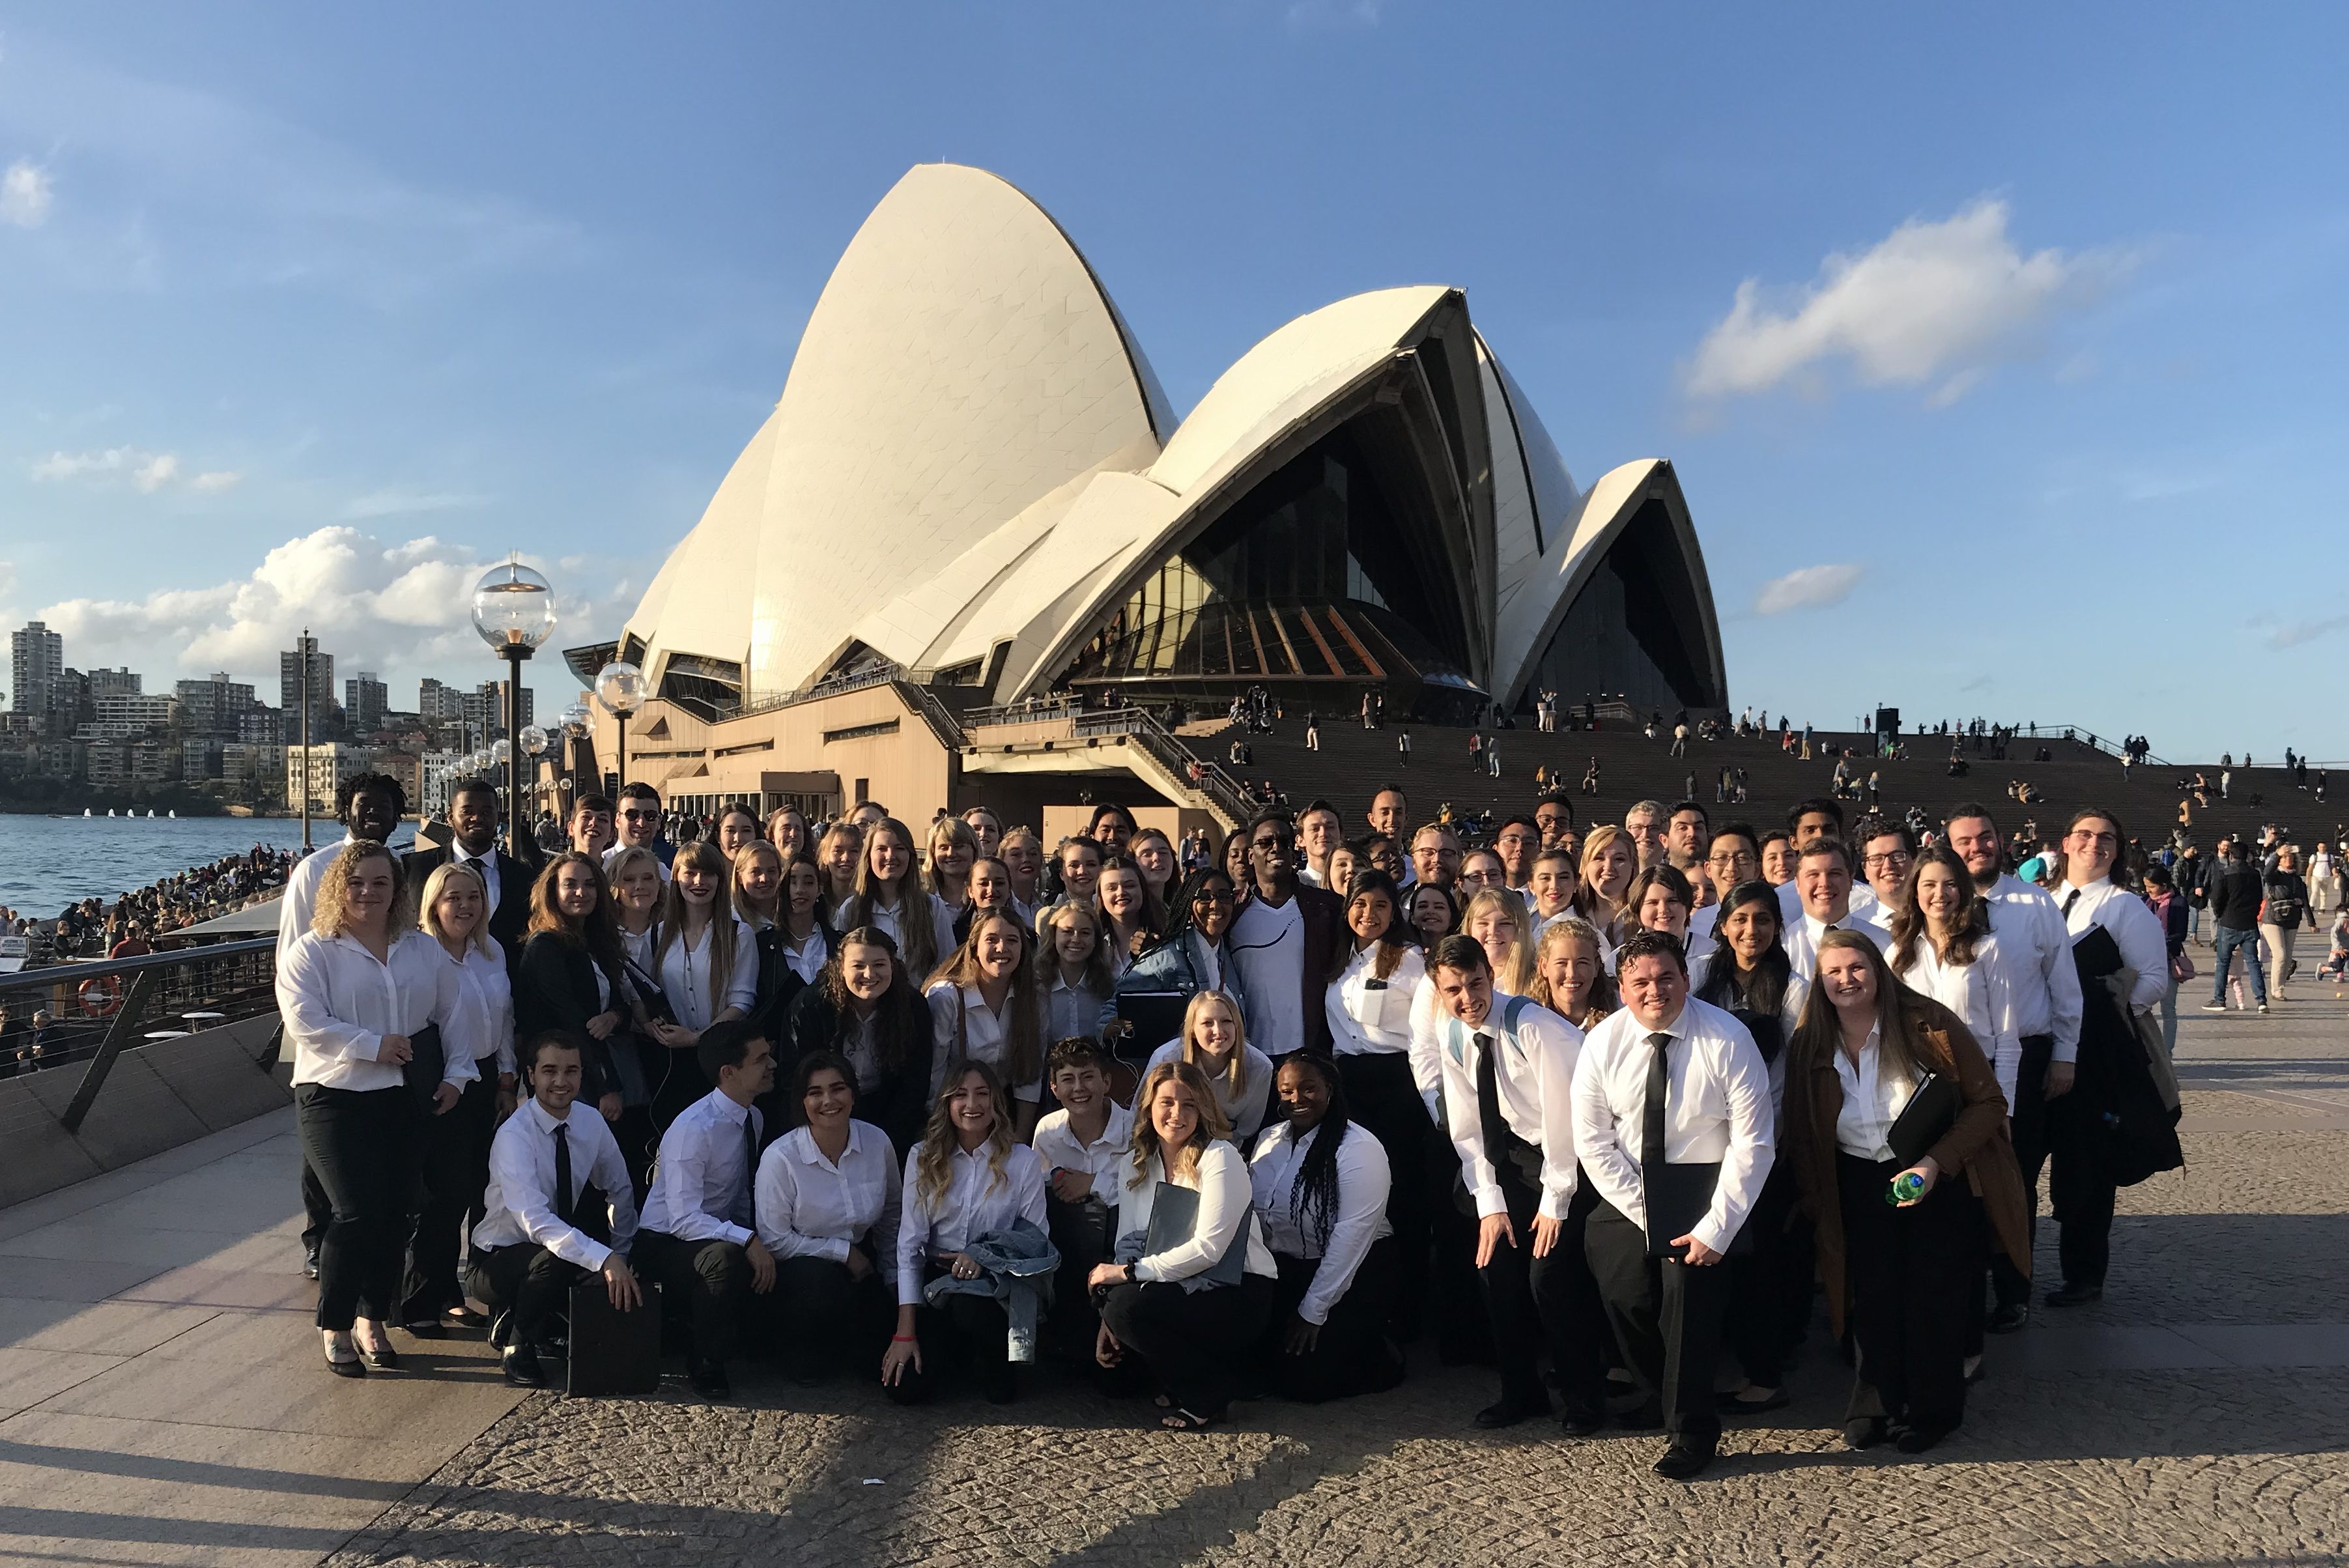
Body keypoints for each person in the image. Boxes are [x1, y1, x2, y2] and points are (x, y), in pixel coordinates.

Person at [1782, 931, 2030, 1452]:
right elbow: (1803, 1128)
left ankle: (1933, 1409)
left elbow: (1988, 1103)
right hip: (1857, 1177)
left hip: (1931, 1176)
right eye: (1835, 971)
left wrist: (1935, 1164)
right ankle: (1876, 1403)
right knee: (1871, 1297)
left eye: (1857, 967)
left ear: (1878, 969)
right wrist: (1812, 1196)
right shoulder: (1810, 1043)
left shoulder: (1929, 1023)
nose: (1847, 979)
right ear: (1820, 981)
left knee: (1933, 1295)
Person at [1571, 930, 1774, 1480]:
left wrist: (1716, 1227)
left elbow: (1753, 1143)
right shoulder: (1603, 1043)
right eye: (1640, 982)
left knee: (1687, 1295)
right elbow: (1592, 1140)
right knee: (1621, 1286)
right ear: (1621, 987)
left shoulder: (1729, 1038)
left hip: (1705, 1188)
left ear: (1686, 977)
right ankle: (1657, 1390)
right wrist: (1645, 1213)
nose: (1654, 990)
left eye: (1666, 977)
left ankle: (1692, 1426)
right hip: (1631, 1189)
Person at [277, 840, 468, 1377]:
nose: (368, 892)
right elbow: (304, 1021)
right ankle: (334, 1324)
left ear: (396, 890)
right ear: (338, 887)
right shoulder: (313, 951)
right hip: (331, 1095)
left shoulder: (420, 949)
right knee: (355, 1210)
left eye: (380, 882)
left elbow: (453, 1013)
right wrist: (371, 1043)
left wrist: (457, 1076)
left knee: (397, 1211)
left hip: (400, 1095)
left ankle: (372, 1317)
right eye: (356, 882)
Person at [1427, 934, 1607, 1436]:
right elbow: (1467, 1129)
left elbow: (1565, 1122)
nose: (1468, 998)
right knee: (1496, 1268)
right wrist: (1490, 1202)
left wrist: (1555, 1203)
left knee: (1550, 1277)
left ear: (1491, 973)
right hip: (1508, 1159)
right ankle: (1521, 1392)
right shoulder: (1455, 1033)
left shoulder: (1532, 1026)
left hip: (1569, 1159)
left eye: (1476, 983)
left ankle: (1584, 1397)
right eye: (1453, 990)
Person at [1943, 805, 2084, 1334]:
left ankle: (2012, 1288)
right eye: (1964, 841)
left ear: (2001, 842)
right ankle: (1962, 1281)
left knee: (2014, 1179)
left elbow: (2063, 982)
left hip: (2023, 1056)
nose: (1975, 848)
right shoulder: (1937, 901)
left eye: (1984, 838)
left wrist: (2065, 1053)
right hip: (1950, 1065)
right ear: (1948, 845)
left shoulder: (2035, 903)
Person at [1091, 1059, 1278, 1430]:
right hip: (1170, 1284)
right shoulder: (1134, 1163)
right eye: (1167, 1103)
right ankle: (1194, 1373)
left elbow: (1210, 1249)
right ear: (1149, 1107)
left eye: (1189, 1104)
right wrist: (1105, 1315)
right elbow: (1127, 1242)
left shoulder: (1220, 1157)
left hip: (1237, 1288)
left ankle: (1208, 1394)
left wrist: (1128, 1276)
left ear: (1203, 1109)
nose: (1177, 1114)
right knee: (1112, 1377)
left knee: (1128, 1308)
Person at [2045, 808, 2178, 1308]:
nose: (2094, 843)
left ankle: (2083, 1273)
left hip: (2092, 1057)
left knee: (2086, 1167)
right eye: (2084, 834)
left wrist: (2104, 1018)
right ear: (2065, 842)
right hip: (2037, 1048)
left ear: (2118, 850)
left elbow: (2153, 980)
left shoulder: (2126, 908)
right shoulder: (2040, 900)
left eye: (2106, 838)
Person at [279, 772, 408, 1283]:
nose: (374, 814)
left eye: (385, 806)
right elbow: (291, 952)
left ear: (399, 815)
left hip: (386, 1030)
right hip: (327, 1036)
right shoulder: (314, 870)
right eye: (364, 806)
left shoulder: (402, 869)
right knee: (321, 1155)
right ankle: (319, 1241)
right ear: (344, 813)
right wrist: (300, 1031)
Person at [1687, 880, 1808, 1412]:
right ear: (1722, 926)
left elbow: (1795, 1068)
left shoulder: (1794, 988)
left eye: (1762, 920)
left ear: (1778, 927)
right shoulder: (1700, 980)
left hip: (1765, 1136)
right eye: (1740, 920)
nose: (1750, 930)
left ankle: (1766, 1373)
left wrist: (1776, 1131)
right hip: (1710, 1135)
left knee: (1762, 1257)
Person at [467, 1028, 643, 1388]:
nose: (561, 1082)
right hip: (497, 1259)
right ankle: (518, 1345)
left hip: (554, 1248)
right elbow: (535, 1223)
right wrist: (602, 1258)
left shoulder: (590, 1121)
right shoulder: (514, 1135)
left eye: (571, 1071)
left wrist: (620, 1255)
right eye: (549, 1071)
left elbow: (621, 1190)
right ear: (530, 1076)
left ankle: (537, 1317)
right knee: (554, 1258)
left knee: (578, 1254)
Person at [885, 1061, 1049, 1406]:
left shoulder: (1023, 1160)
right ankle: (954, 1353)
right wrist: (905, 1332)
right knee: (904, 1391)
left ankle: (994, 1359)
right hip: (937, 1280)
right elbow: (909, 1246)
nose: (972, 1105)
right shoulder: (923, 1156)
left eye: (982, 1094)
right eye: (960, 1095)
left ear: (996, 1102)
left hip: (996, 1281)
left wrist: (983, 1255)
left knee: (998, 1385)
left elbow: (1036, 1239)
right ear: (946, 1103)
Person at [399, 861, 517, 1335]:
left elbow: (504, 1019)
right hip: (442, 1080)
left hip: (487, 1076)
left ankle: (468, 1287)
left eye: (473, 896)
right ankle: (423, 1296)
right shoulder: (419, 956)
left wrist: (508, 1079)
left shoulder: (491, 952)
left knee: (482, 1189)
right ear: (432, 904)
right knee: (444, 1193)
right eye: (453, 897)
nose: (464, 906)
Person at [634, 1019, 778, 1399]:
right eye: (761, 1059)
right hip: (663, 1243)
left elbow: (741, 1194)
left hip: (713, 1233)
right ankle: (705, 1362)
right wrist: (747, 1239)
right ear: (729, 1073)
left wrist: (759, 1237)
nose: (773, 1064)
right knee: (725, 1258)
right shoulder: (694, 1128)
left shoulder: (754, 1116)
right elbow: (683, 1219)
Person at [1248, 1053, 1404, 1401]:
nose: (1296, 1099)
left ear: (1330, 1090)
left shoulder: (1358, 1148)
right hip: (1288, 1268)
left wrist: (1312, 1311)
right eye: (1287, 1091)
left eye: (1308, 1089)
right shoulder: (1269, 1140)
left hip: (1357, 1273)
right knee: (1256, 1369)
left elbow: (1351, 1238)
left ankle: (1381, 1350)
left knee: (1306, 1385)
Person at [1322, 870, 1432, 1335]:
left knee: (1399, 1195)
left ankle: (1407, 1307)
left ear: (1395, 912)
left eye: (1381, 905)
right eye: (1360, 904)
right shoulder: (1338, 960)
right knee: (1355, 1192)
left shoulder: (1409, 960)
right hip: (1348, 1083)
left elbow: (1425, 1031)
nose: (1369, 914)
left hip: (1395, 1085)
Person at [752, 1049, 902, 1386]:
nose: (828, 1100)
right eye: (815, 1092)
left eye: (838, 1089)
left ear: (853, 1094)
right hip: (802, 1270)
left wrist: (894, 1280)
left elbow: (893, 1217)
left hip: (866, 1262)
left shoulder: (878, 1142)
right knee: (813, 1366)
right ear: (801, 1102)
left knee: (883, 1371)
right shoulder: (781, 1157)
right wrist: (843, 1253)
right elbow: (775, 1240)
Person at [782, 926, 936, 1161]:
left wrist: (888, 1139)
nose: (869, 974)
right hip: (826, 1110)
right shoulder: (810, 1007)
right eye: (858, 966)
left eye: (879, 965)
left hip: (888, 1110)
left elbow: (915, 1082)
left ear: (892, 966)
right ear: (841, 968)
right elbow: (797, 1077)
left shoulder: (912, 1007)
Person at [1886, 848, 2023, 1109]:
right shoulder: (1897, 954)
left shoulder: (1987, 948)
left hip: (1979, 1081)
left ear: (1962, 890)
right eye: (1929, 885)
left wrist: (2004, 1106)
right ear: (1915, 891)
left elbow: (2006, 1034)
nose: (1940, 894)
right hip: (1918, 1086)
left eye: (1950, 884)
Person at [1031, 1037, 1135, 1365]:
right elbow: (1039, 1185)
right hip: (1070, 1249)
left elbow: (1146, 1190)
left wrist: (1095, 1183)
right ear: (1054, 1088)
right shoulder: (1047, 1130)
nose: (1079, 1088)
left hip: (1119, 1245)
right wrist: (1058, 1179)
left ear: (1106, 1081)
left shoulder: (1135, 1129)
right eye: (1068, 1079)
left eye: (1088, 1077)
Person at [648, 840, 761, 1128]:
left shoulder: (740, 934)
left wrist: (698, 1037)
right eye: (690, 873)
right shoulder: (657, 936)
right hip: (670, 1062)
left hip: (722, 1063)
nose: (699, 881)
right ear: (676, 879)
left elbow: (742, 1001)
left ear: (720, 880)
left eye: (708, 874)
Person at [1106, 867, 1249, 1072]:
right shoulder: (1166, 956)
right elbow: (1113, 1012)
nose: (1215, 905)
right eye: (1204, 897)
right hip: (1178, 1081)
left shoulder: (1228, 957)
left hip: (1224, 1081)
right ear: (1189, 903)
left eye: (1224, 896)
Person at [1228, 810, 1344, 1062]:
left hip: (1311, 1053)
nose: (1276, 848)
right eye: (1265, 842)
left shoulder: (1327, 909)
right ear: (1250, 855)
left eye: (1284, 842)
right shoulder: (1230, 913)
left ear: (1294, 851)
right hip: (1248, 1055)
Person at [924, 908, 1047, 1135]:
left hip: (1006, 1111)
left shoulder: (1034, 997)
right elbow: (935, 1074)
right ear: (974, 947)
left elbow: (1030, 1074)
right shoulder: (946, 997)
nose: (1002, 948)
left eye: (1012, 940)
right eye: (992, 940)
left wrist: (1020, 1137)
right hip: (954, 1112)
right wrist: (941, 1132)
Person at [404, 777, 535, 985]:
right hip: (432, 986)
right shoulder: (414, 868)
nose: (477, 818)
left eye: (486, 812)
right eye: (467, 811)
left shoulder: (524, 877)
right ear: (450, 817)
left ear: (498, 816)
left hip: (506, 994)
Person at [840, 817, 958, 986]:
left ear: (910, 855)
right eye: (882, 849)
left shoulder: (932, 907)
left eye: (899, 848)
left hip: (918, 1007)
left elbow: (948, 967)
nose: (891, 856)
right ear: (868, 855)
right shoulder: (850, 910)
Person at [1146, 989, 1275, 1141]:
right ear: (1192, 1029)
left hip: (1225, 1147)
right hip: (1170, 1144)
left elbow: (1246, 1129)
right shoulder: (1165, 1058)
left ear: (1237, 1026)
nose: (1218, 1031)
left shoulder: (1260, 1067)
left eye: (1226, 1021)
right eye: (1207, 1023)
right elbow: (1141, 1113)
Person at [1782, 839, 1892, 982]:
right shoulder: (1782, 948)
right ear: (1797, 884)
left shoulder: (1885, 944)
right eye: (1813, 875)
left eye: (1834, 873)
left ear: (1851, 880)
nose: (1824, 883)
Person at [1038, 900, 1117, 1053]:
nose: (1076, 939)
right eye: (1067, 932)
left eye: (1085, 933)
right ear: (1054, 937)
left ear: (1096, 940)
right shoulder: (1036, 988)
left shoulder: (1109, 987)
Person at [2201, 838, 2266, 1013]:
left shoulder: (2225, 874)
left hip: (2229, 922)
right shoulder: (2255, 874)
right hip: (2249, 923)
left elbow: (2216, 899)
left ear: (2231, 855)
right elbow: (2259, 898)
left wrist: (2222, 914)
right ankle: (2261, 1001)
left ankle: (2220, 999)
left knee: (2223, 962)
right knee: (2253, 962)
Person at [1527, 916, 1617, 1032]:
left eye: (1582, 963)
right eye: (1562, 963)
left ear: (1596, 966)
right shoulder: (1527, 1021)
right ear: (1544, 966)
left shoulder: (1620, 1015)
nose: (1572, 974)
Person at [2141, 863, 2189, 1055]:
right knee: (2143, 1008)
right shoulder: (2143, 901)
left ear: (2163, 884)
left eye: (2151, 887)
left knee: (2168, 1009)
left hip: (2168, 959)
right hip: (2144, 961)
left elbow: (2180, 933)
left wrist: (2157, 940)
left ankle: (2166, 1051)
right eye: (2146, 886)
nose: (2148, 891)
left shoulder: (2178, 902)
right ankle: (2148, 1050)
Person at [2260, 848, 2309, 1002]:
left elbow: (2305, 899)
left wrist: (2311, 920)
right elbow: (2266, 872)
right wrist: (2276, 855)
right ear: (2280, 860)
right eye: (2285, 857)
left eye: (2291, 858)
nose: (2289, 860)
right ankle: (2276, 990)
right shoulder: (2275, 876)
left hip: (2292, 919)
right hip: (2273, 918)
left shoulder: (2297, 879)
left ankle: (2280, 988)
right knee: (2280, 954)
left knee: (2287, 957)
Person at [1096, 854, 1158, 972]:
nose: (1121, 892)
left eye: (1129, 886)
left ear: (1142, 890)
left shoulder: (1164, 938)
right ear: (1101, 897)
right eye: (1112, 888)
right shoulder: (1092, 943)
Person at [610, 782, 676, 871]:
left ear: (659, 822)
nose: (641, 823)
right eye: (632, 815)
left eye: (650, 816)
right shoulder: (599, 869)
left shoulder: (666, 875)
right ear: (618, 820)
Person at [815, 821, 864, 927]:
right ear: (825, 856)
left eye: (854, 851)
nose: (846, 858)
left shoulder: (870, 903)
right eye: (838, 851)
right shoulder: (815, 902)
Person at [1296, 801, 1346, 890]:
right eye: (1315, 829)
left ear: (1342, 835)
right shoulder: (1292, 885)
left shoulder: (1355, 884)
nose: (1323, 834)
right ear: (1301, 840)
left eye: (1330, 827)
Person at [567, 795, 618, 862]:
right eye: (586, 817)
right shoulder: (557, 871)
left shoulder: (617, 871)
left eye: (602, 819)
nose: (593, 823)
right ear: (571, 828)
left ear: (611, 834)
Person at [1623, 800, 1668, 870]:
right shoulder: (1618, 877)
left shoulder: (1677, 878)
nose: (1645, 835)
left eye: (1653, 828)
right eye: (1637, 827)